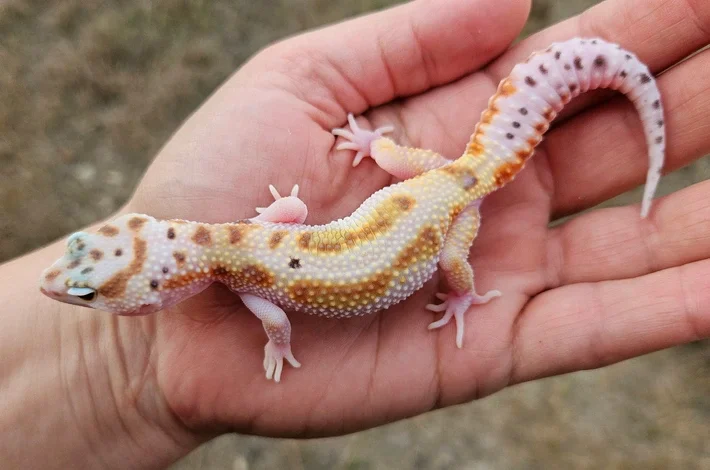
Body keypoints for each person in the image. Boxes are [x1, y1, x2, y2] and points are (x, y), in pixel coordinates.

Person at [2, 0, 709, 467]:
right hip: (428, 182)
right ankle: (387, 154)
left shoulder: (255, 289)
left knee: (455, 269)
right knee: (424, 196)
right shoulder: (249, 247)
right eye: (89, 282)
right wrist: (374, 149)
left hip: (451, 212)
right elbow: (283, 223)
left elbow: (278, 317)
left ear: (158, 283)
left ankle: (462, 295)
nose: (61, 286)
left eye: (87, 282)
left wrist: (452, 294)